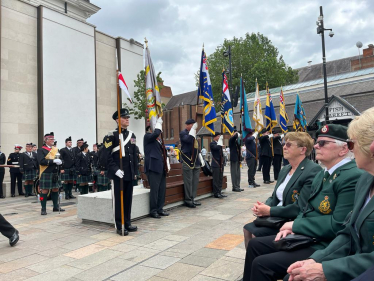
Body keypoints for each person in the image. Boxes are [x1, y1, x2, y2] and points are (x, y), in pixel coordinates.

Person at [242, 124, 364, 281]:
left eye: (323, 143)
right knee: (255, 245)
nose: (316, 146)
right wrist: (295, 226)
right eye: (316, 142)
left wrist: (295, 225)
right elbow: (306, 208)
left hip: (325, 243)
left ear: (344, 149)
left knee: (262, 264)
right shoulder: (324, 174)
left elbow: (339, 224)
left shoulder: (350, 176)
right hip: (309, 235)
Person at [286, 108, 374, 281]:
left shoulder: (354, 176)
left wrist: (328, 269)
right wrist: (316, 260)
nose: (351, 150)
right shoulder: (365, 180)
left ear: (371, 147)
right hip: (345, 258)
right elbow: (349, 231)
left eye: (351, 144)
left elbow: (337, 224)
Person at [243, 132, 322, 248]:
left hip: (291, 219)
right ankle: (252, 260)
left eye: (289, 145)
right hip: (276, 216)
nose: (284, 147)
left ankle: (261, 261)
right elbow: (275, 196)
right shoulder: (285, 169)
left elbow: (301, 207)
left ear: (302, 150)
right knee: (247, 230)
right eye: (284, 143)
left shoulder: (312, 170)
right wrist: (263, 206)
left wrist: (269, 210)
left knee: (256, 236)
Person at [100, 108, 138, 236]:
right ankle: (119, 224)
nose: (127, 119)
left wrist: (135, 172)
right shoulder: (111, 136)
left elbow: (134, 154)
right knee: (118, 201)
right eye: (124, 117)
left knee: (128, 200)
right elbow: (105, 156)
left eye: (128, 117)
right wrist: (115, 170)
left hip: (129, 173)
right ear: (117, 120)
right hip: (118, 174)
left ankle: (127, 222)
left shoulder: (132, 135)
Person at [144, 120, 170, 219]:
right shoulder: (147, 136)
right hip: (153, 167)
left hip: (161, 167)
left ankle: (160, 209)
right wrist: (159, 125)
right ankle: (153, 210)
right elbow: (156, 133)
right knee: (154, 190)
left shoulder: (158, 140)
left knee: (162, 189)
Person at [37, 132, 65, 215]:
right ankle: (43, 208)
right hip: (46, 172)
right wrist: (53, 161)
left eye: (53, 139)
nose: (53, 140)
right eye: (51, 139)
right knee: (44, 191)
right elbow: (41, 161)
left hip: (55, 172)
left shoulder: (56, 149)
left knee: (56, 189)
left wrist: (61, 162)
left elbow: (61, 159)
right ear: (46, 140)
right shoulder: (41, 150)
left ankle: (55, 207)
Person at [180, 119, 204, 208]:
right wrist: (193, 131)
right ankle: (188, 200)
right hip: (188, 160)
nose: (194, 127)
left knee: (195, 181)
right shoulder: (183, 133)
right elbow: (188, 140)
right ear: (187, 125)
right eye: (192, 125)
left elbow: (196, 147)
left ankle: (193, 198)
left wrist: (200, 156)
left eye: (194, 125)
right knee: (188, 181)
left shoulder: (194, 134)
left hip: (196, 160)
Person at [211, 132, 226, 199]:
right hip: (216, 164)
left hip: (220, 164)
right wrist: (220, 144)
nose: (219, 138)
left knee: (220, 178)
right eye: (218, 137)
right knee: (216, 179)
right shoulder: (212, 143)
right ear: (215, 137)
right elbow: (216, 148)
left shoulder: (218, 144)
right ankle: (216, 193)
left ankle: (219, 192)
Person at [229, 127, 244, 192]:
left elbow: (240, 144)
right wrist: (236, 134)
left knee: (238, 173)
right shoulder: (231, 140)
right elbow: (233, 138)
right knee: (234, 173)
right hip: (234, 158)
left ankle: (237, 186)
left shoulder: (236, 141)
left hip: (237, 158)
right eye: (235, 133)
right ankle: (234, 187)